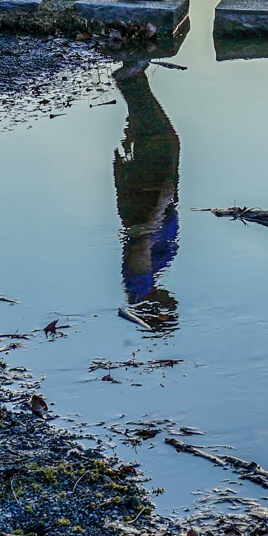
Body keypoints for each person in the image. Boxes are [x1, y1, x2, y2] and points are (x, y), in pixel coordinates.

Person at [111, 60, 180, 332]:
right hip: (149, 201)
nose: (173, 304)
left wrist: (161, 204)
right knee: (158, 139)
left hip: (148, 200)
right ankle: (134, 78)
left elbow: (141, 243)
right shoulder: (144, 288)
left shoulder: (140, 289)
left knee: (161, 139)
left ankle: (131, 79)